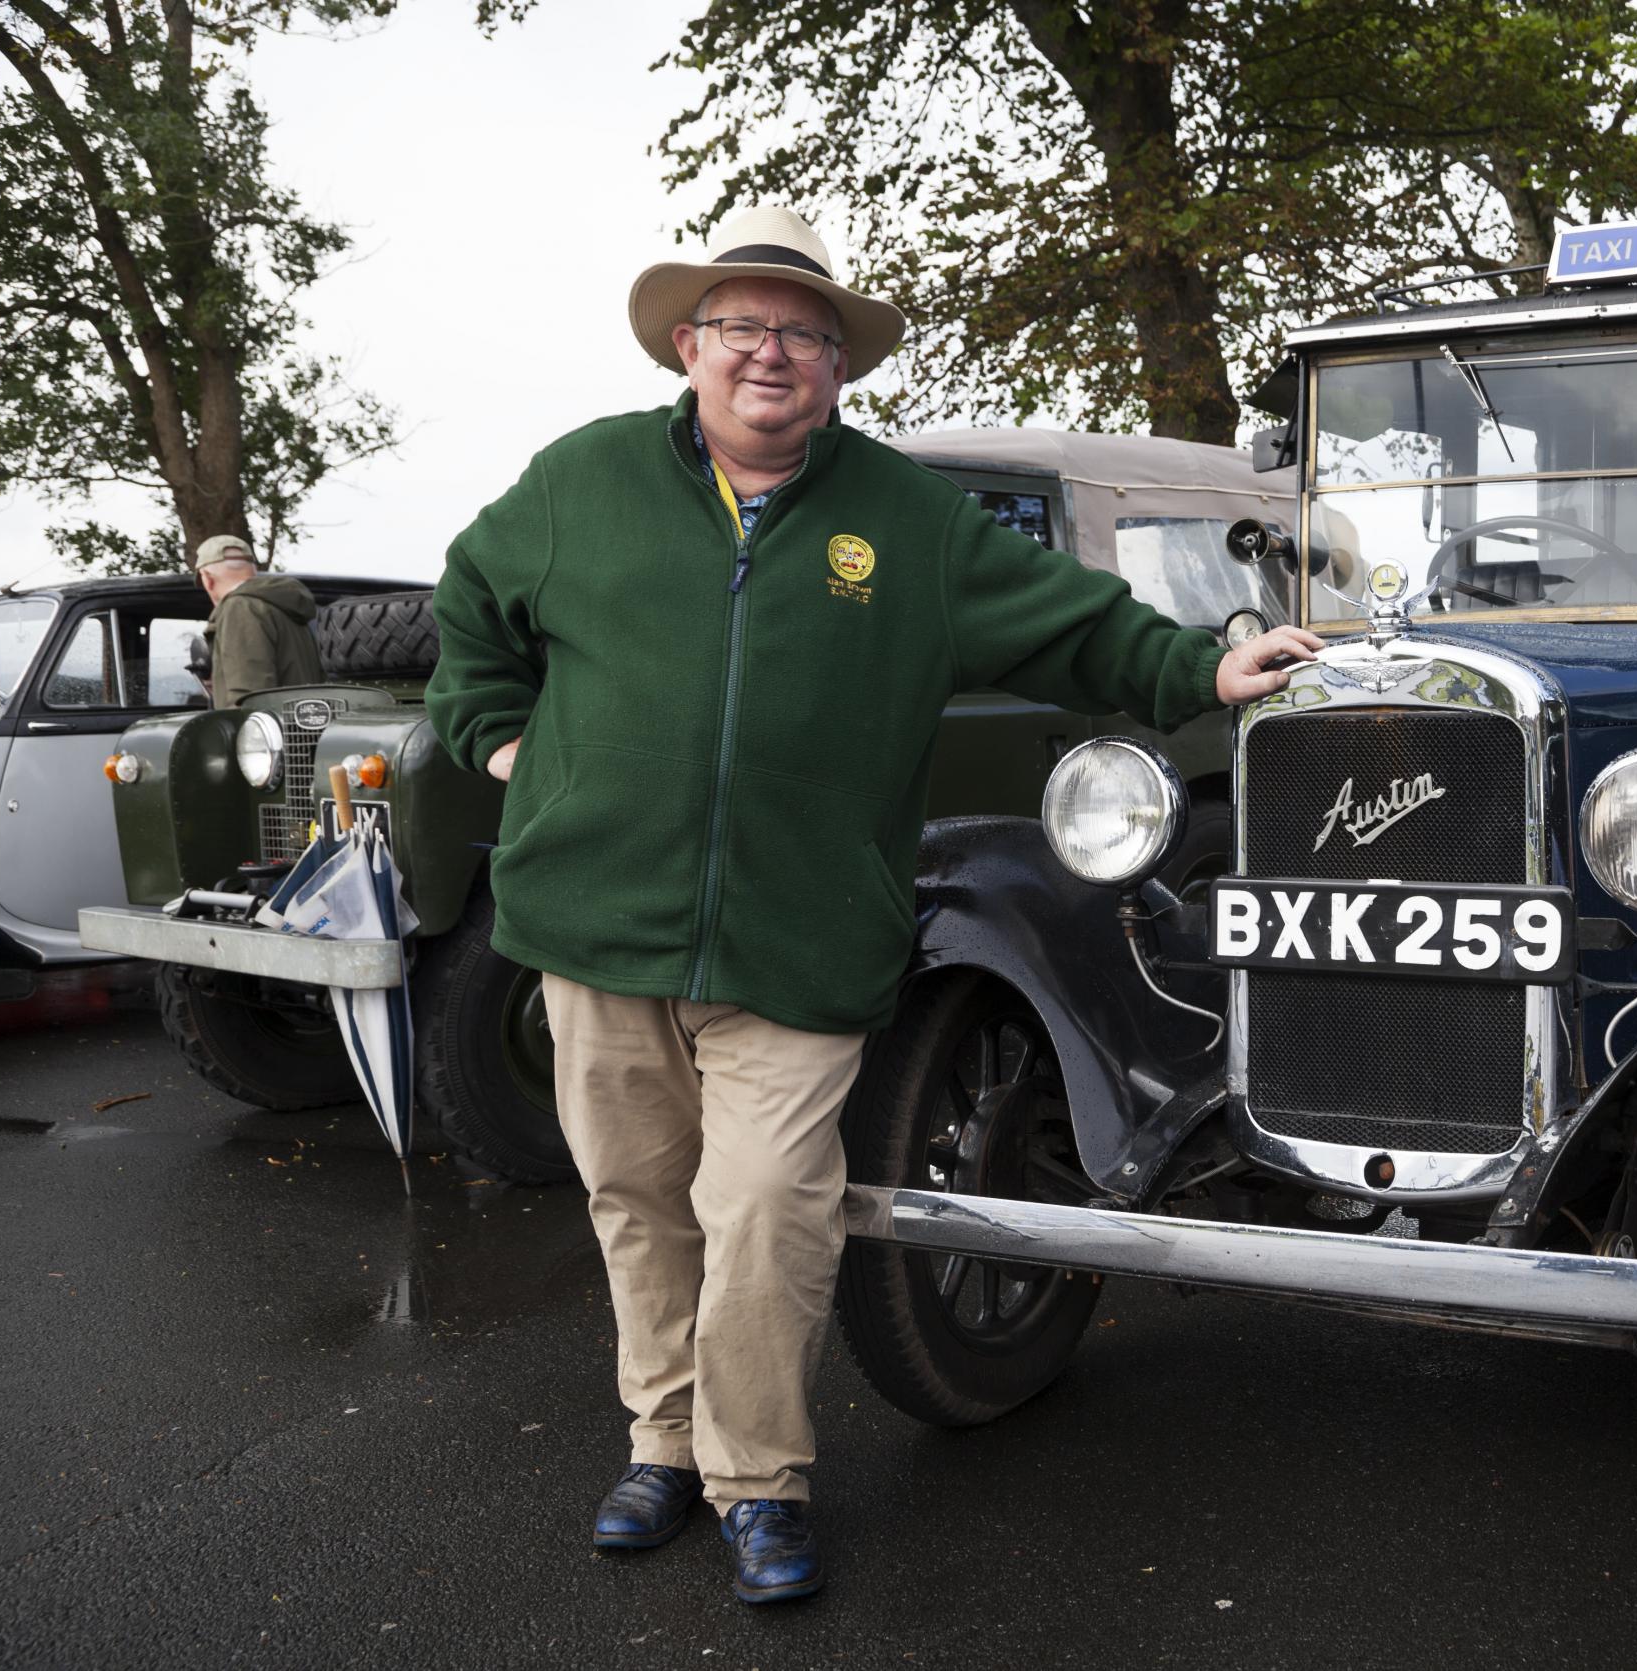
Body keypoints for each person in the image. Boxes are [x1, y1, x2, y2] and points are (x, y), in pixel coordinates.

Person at [425, 205, 1320, 1606]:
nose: (769, 353)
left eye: (801, 332)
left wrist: (1207, 668)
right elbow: (471, 607)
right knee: (639, 1198)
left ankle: (757, 1476)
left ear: (837, 365)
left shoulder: (906, 517)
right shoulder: (582, 479)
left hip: (800, 932)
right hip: (595, 922)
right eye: (742, 327)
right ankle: (662, 1441)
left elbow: (1073, 622)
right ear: (689, 343)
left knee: (773, 1203)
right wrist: (499, 737)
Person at [190, 534, 324, 707]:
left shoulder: (240, 607)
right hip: (303, 726)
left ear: (207, 579)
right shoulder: (285, 606)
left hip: (266, 731)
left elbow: (249, 697)